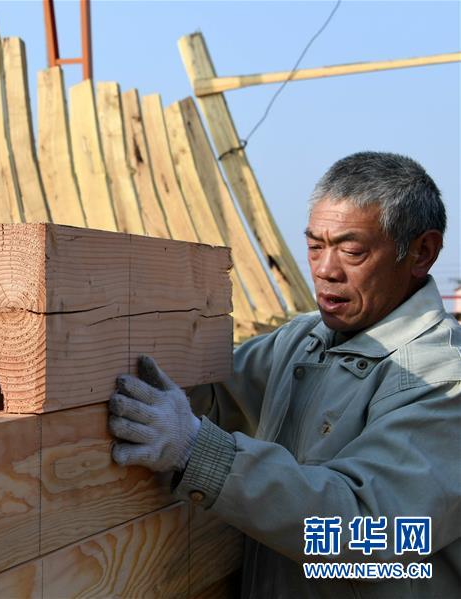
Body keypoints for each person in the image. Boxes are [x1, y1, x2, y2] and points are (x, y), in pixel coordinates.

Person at [107, 152, 460, 598]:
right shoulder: (302, 341)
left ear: (421, 252)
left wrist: (199, 451)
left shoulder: (442, 380)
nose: (325, 270)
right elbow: (210, 391)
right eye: (315, 246)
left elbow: (367, 532)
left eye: (352, 251)